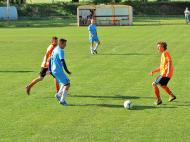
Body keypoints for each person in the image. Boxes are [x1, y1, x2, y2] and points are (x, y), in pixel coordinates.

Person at [50, 38, 71, 106]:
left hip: (54, 70)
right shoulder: (60, 50)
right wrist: (67, 70)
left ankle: (58, 95)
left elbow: (51, 59)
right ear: (61, 44)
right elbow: (62, 61)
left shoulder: (55, 49)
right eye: (65, 44)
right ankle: (62, 100)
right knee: (67, 84)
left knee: (64, 83)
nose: (65, 45)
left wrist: (50, 69)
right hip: (58, 70)